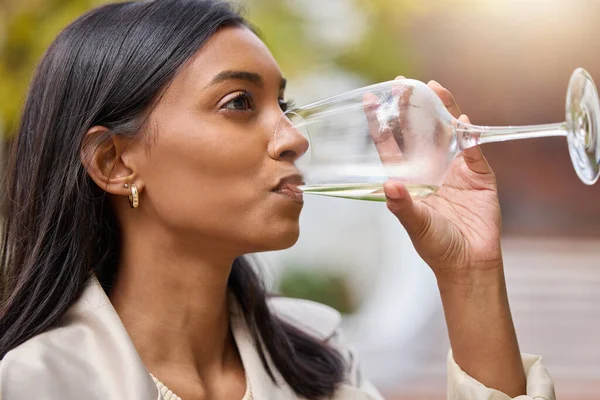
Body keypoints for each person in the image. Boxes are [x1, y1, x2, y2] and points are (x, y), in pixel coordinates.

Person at [0, 1, 555, 399]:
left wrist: (470, 276)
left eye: (283, 104)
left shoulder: (319, 362)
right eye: (239, 102)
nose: (294, 137)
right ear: (113, 163)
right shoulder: (36, 383)